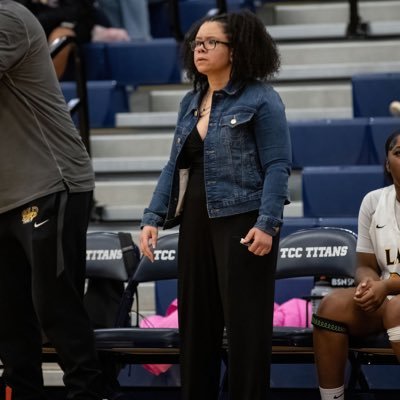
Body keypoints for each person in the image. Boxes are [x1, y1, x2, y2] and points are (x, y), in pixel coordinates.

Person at [139, 9, 291, 400]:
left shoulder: (261, 98)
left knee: (245, 328)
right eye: (196, 42)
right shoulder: (190, 101)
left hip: (243, 220)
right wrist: (152, 217)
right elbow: (175, 165)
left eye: (211, 43)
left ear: (236, 50)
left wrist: (268, 223)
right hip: (195, 220)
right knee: (196, 323)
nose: (199, 49)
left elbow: (278, 165)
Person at [0, 1, 107, 399]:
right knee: (10, 321)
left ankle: (89, 393)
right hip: (5, 194)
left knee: (56, 310)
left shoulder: (8, 16)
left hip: (50, 182)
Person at [312, 129, 400, 400]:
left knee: (397, 307)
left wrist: (385, 287)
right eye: (399, 153)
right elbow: (364, 263)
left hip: (393, 299)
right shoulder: (373, 202)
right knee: (331, 307)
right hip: (387, 297)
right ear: (387, 163)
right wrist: (368, 284)